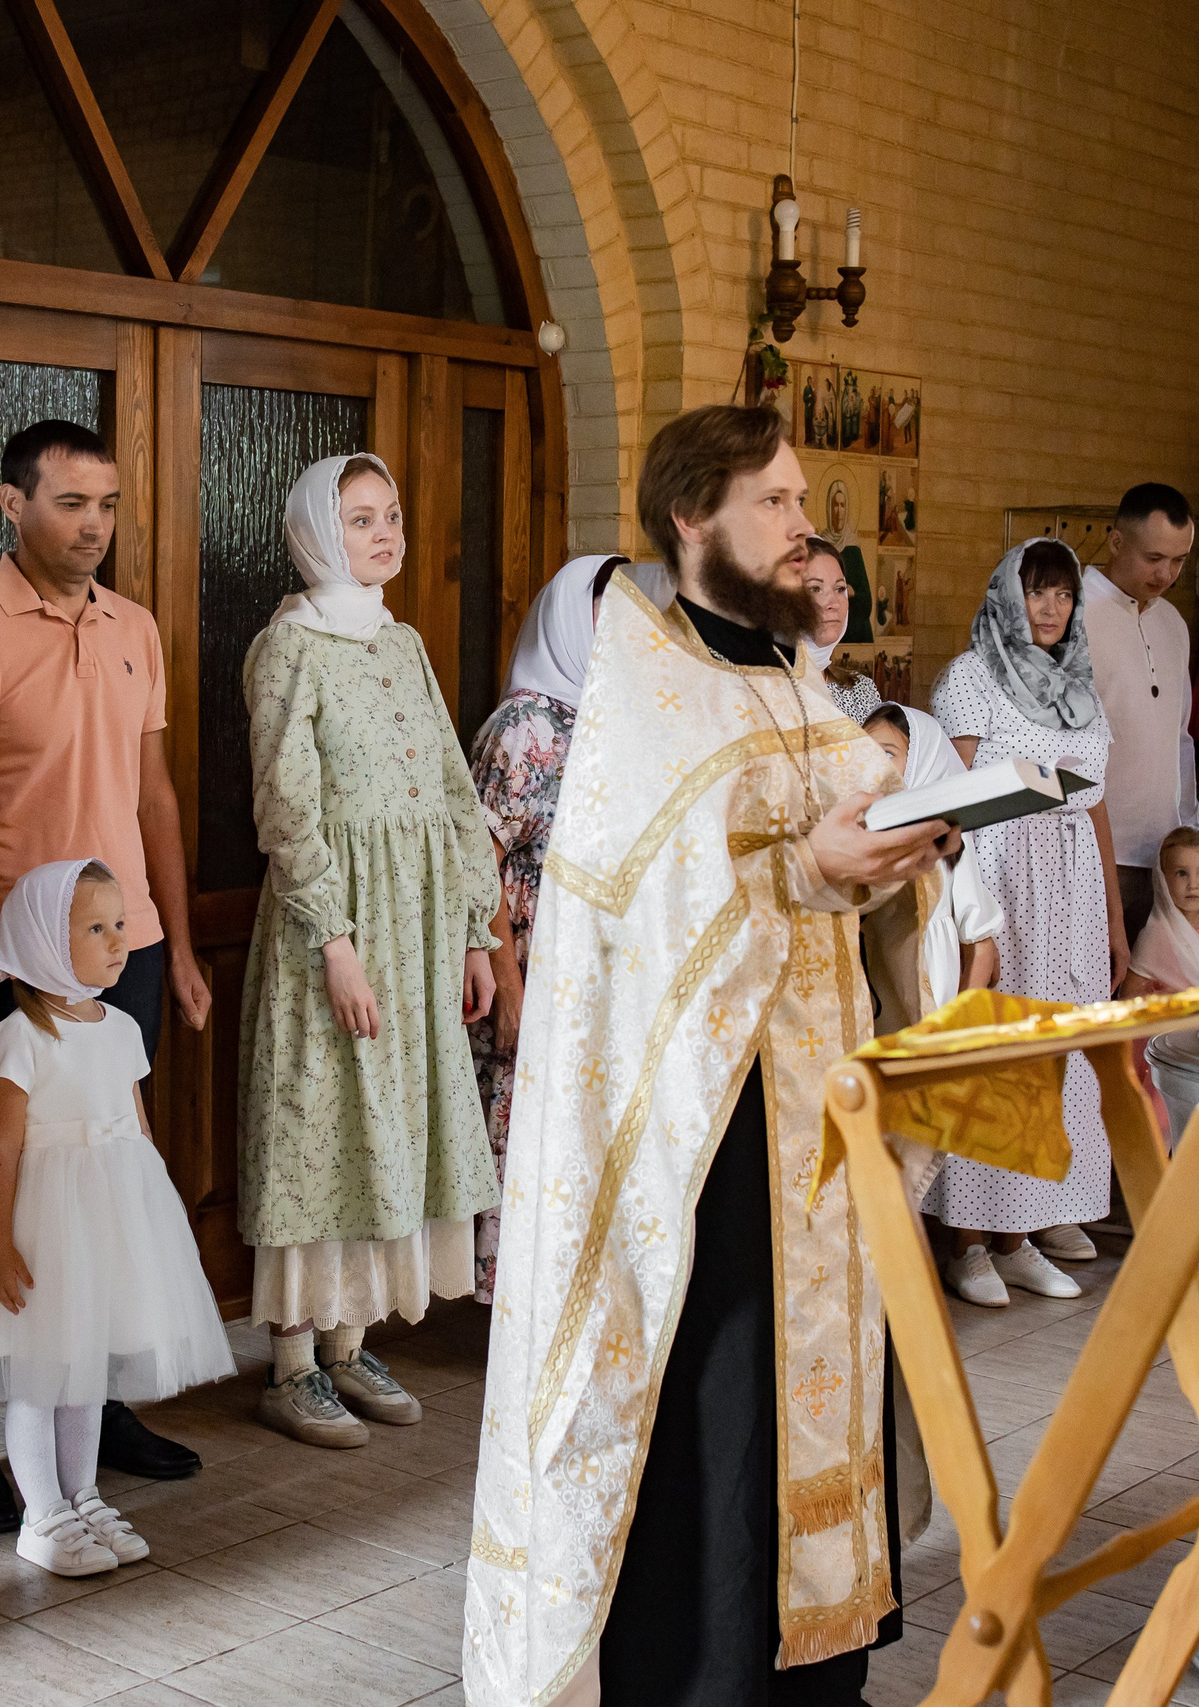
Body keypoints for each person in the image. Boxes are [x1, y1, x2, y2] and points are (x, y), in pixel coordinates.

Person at [465, 405, 942, 1707]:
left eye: (802, 500)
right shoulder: (644, 689)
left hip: (819, 1123)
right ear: (691, 515)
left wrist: (905, 854)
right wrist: (804, 867)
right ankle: (710, 1678)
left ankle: (820, 1679)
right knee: (718, 1409)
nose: (802, 526)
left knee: (814, 1391)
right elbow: (635, 916)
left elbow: (839, 862)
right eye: (774, 501)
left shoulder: (793, 682)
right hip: (703, 1143)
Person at [0, 418, 207, 1535]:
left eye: (108, 504)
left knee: (108, 1180)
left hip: (123, 955)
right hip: (7, 968)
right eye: (71, 503)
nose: (94, 526)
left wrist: (174, 944)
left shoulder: (135, 627)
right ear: (11, 503)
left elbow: (155, 795)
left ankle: (96, 1405)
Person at [238, 452, 499, 1448]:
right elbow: (285, 805)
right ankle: (292, 1363)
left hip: (418, 924)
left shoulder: (402, 641)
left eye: (390, 515)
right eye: (360, 519)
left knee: (385, 1128)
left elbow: (451, 788)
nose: (384, 533)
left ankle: (350, 1341)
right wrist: (335, 943)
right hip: (335, 926)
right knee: (319, 1125)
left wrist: (474, 931)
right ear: (317, 532)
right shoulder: (288, 647)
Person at [0, 860, 235, 1577]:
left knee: (86, 1372)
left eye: (120, 924)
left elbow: (138, 1129)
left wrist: (153, 1220)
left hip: (107, 1223)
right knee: (40, 1375)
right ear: (41, 941)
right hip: (46, 1227)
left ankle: (81, 1493)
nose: (119, 941)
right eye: (96, 928)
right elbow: (1, 1153)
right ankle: (41, 1513)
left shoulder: (121, 1027)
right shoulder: (19, 1037)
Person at [926, 538, 1122, 1307]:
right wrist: (967, 916)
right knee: (993, 1052)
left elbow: (1094, 801)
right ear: (1008, 596)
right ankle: (968, 1243)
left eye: (1063, 594)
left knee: (1052, 1056)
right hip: (1002, 872)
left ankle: (1019, 1234)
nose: (1050, 607)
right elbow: (950, 800)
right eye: (1037, 591)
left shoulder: (1078, 683)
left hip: (1071, 884)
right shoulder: (971, 677)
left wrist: (1112, 915)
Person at [465, 552, 626, 1303]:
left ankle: (573, 1304)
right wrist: (509, 987)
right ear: (570, 619)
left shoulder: (616, 717)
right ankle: (520, 1314)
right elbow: (480, 860)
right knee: (528, 1132)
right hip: (531, 961)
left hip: (598, 966)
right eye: (605, 610)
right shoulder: (526, 726)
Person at [1081, 482, 1199, 940]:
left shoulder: (1173, 623)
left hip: (1166, 856)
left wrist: (1189, 832)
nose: (1166, 574)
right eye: (1154, 558)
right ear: (1116, 542)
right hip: (1092, 851)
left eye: (1179, 560)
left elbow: (1180, 739)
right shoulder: (1070, 616)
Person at [862, 702, 1003, 1007]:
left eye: (888, 753)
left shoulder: (947, 840)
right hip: (872, 987)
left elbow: (979, 943)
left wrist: (956, 1019)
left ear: (922, 760)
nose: (873, 763)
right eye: (864, 751)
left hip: (929, 989)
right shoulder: (856, 835)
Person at [1123, 825, 1199, 995]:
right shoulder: (1157, 935)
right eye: (1182, 873)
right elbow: (1129, 993)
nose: (1193, 884)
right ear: (1163, 879)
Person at [799, 533, 882, 723]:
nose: (834, 603)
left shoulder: (861, 692)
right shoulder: (756, 692)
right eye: (815, 589)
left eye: (840, 589)